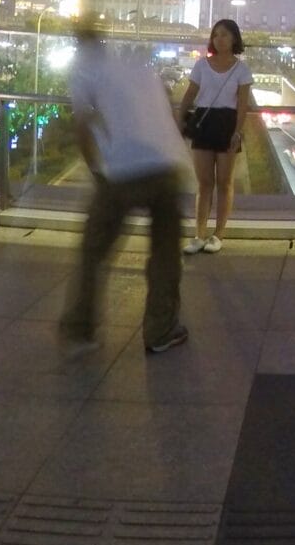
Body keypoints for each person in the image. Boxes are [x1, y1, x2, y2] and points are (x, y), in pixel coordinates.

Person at [60, 18, 190, 354]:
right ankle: (161, 330)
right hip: (166, 164)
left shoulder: (82, 70)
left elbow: (83, 127)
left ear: (77, 45)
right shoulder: (135, 65)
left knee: (94, 250)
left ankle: (81, 329)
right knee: (165, 253)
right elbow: (166, 112)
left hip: (122, 169)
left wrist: (97, 172)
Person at [179, 18, 254, 254]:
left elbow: (242, 105)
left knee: (224, 182)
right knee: (204, 183)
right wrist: (180, 117)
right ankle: (199, 234)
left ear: (234, 38)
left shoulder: (241, 69)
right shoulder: (201, 65)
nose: (219, 39)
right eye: (216, 35)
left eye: (224, 34)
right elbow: (190, 94)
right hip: (203, 122)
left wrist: (237, 131)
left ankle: (218, 235)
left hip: (227, 124)